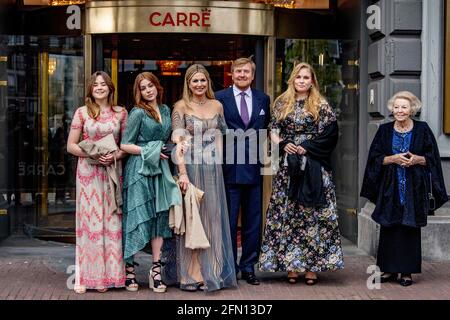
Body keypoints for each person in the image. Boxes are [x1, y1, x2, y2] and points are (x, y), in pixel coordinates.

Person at [258, 62, 344, 285]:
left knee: (314, 215)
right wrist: (284, 143)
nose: (302, 81)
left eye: (306, 77)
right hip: (289, 166)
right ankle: (291, 267)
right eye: (299, 77)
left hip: (315, 164)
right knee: (289, 215)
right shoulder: (281, 103)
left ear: (312, 80)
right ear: (292, 80)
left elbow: (331, 133)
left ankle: (312, 267)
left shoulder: (321, 104)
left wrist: (308, 146)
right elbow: (273, 130)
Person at [360, 91, 448, 286]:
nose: (400, 111)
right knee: (389, 226)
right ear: (392, 109)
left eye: (404, 107)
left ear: (412, 110)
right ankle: (388, 269)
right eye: (396, 107)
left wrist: (417, 159)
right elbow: (374, 158)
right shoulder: (384, 130)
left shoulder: (422, 130)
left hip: (414, 186)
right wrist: (392, 158)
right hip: (390, 186)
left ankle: (406, 271)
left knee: (410, 227)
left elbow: (432, 157)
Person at [171, 63, 237, 292]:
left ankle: (214, 270)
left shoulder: (217, 105)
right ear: (188, 84)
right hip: (189, 166)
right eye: (194, 81)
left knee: (214, 217)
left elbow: (220, 137)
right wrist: (181, 174)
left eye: (203, 80)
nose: (199, 84)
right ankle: (191, 274)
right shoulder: (180, 106)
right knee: (192, 219)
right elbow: (178, 141)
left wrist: (218, 162)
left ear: (208, 82)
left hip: (212, 169)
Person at [120, 72, 181, 293]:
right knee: (137, 218)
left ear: (157, 87)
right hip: (139, 170)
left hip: (160, 171)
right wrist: (152, 150)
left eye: (151, 85)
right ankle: (129, 270)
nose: (148, 90)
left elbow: (171, 139)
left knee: (158, 218)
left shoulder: (166, 110)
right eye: (143, 87)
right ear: (139, 92)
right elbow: (125, 145)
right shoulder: (137, 113)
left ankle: (155, 271)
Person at [67, 71, 127, 294]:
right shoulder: (82, 113)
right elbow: (71, 145)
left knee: (112, 220)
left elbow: (126, 146)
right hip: (88, 173)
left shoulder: (121, 113)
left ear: (110, 88)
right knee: (90, 224)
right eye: (96, 85)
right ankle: (87, 278)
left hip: (112, 171)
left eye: (104, 84)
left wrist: (114, 156)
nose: (100, 87)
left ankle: (111, 277)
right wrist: (92, 155)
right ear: (90, 89)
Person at [215, 57, 270, 285]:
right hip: (228, 168)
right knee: (227, 221)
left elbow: (267, 131)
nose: (242, 75)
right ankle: (228, 267)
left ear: (252, 75)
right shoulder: (219, 98)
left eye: (246, 72)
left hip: (254, 168)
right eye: (238, 72)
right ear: (232, 74)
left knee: (253, 221)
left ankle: (248, 267)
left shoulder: (263, 99)